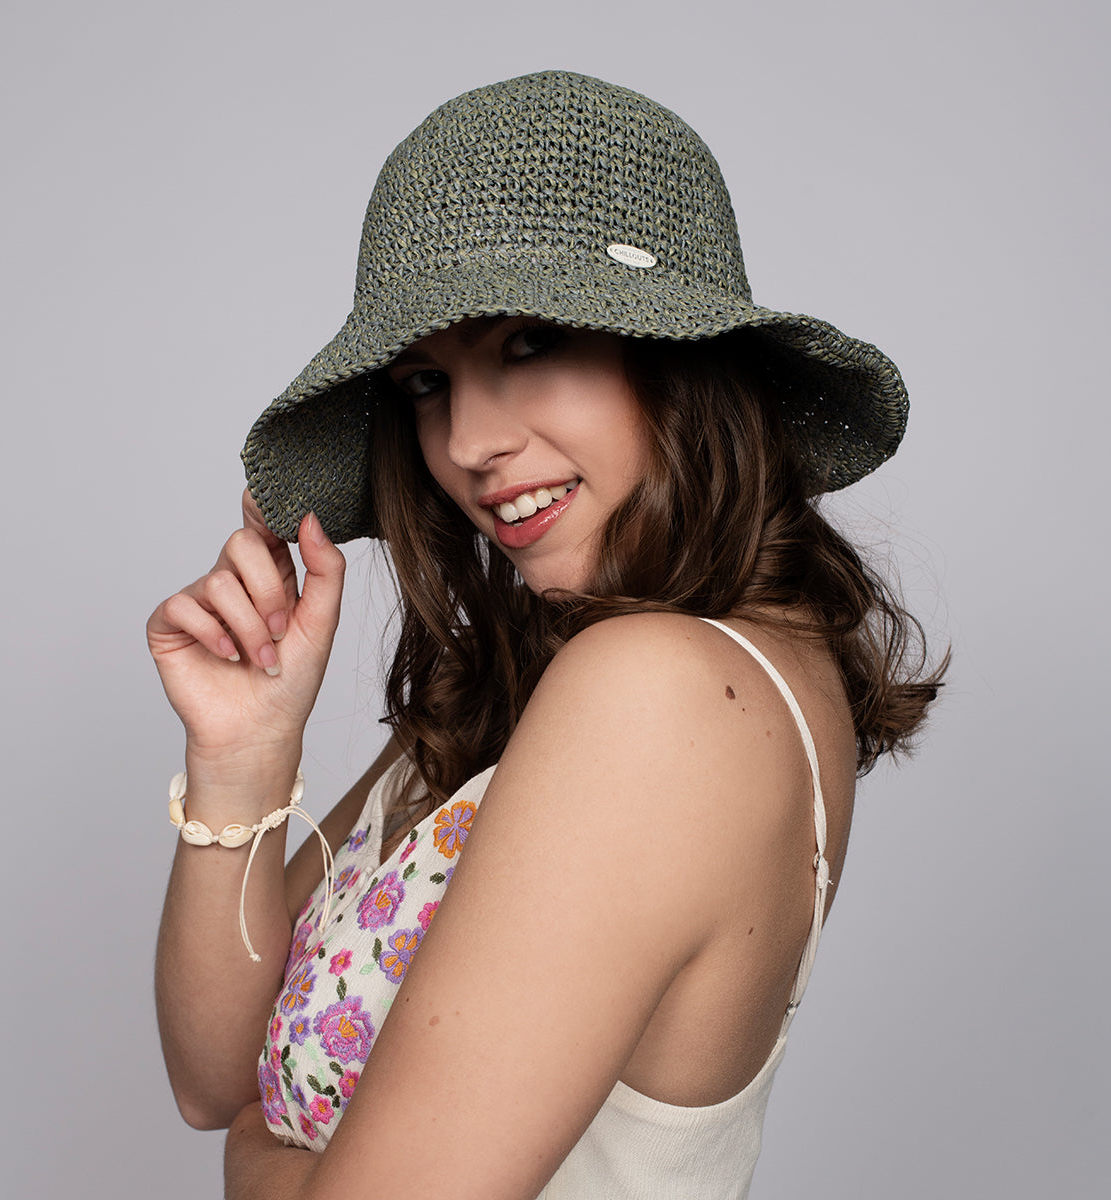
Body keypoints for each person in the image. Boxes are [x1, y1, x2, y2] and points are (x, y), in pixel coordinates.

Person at [147, 70, 943, 1199]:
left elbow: (245, 1129)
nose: (468, 442)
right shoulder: (536, 683)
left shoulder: (659, 693)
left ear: (676, 353)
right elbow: (214, 1077)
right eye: (427, 382)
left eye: (528, 345)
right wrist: (242, 759)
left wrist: (254, 1169)